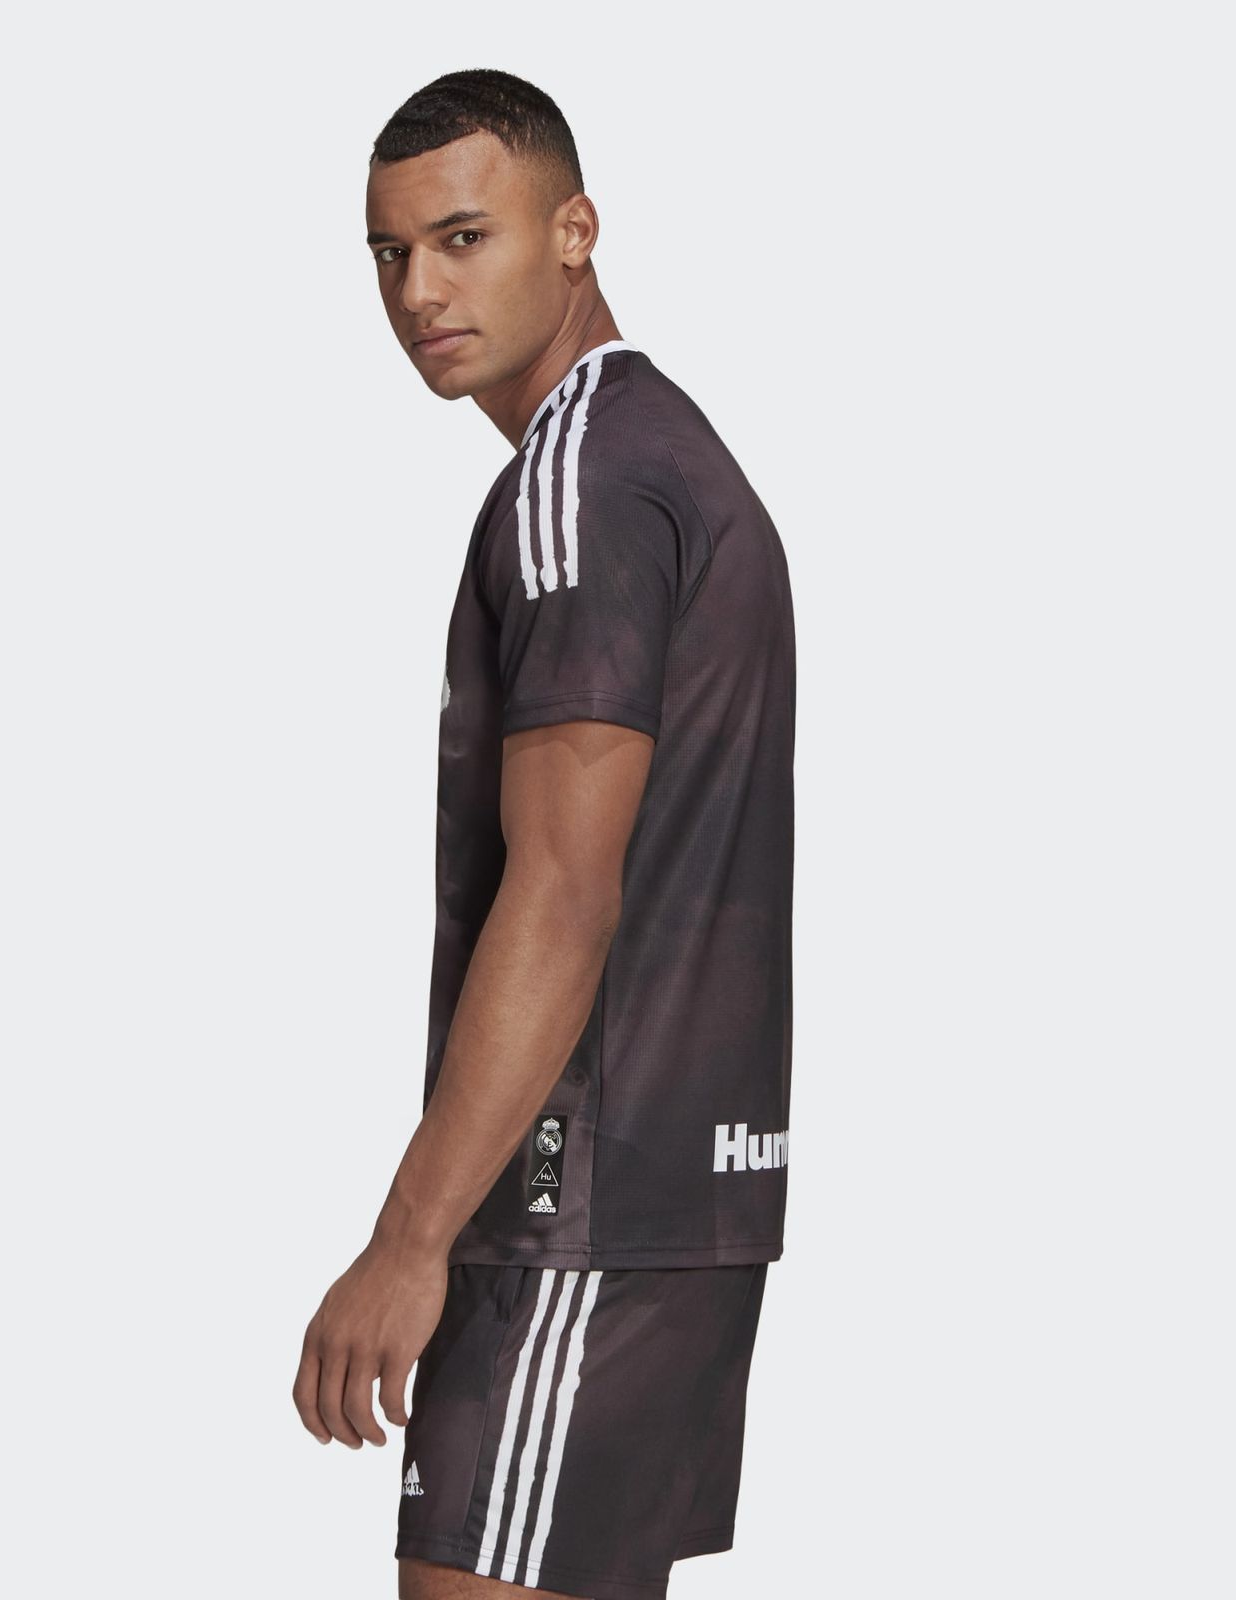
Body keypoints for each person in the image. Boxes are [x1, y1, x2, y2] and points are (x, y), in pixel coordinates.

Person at [293, 67, 797, 1600]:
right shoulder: (655, 459)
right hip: (664, 1195)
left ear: (574, 231)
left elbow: (566, 890)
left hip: (574, 1203)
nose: (417, 293)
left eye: (463, 238)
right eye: (390, 254)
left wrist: (409, 1239)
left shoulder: (582, 481)